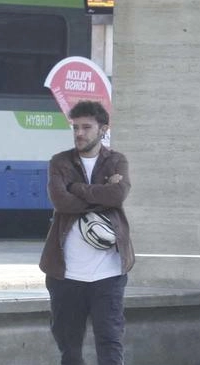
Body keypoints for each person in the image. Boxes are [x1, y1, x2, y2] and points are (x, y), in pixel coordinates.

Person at [39, 99, 134, 365]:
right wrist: (101, 192)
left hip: (109, 273)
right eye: (75, 128)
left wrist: (78, 188)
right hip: (66, 273)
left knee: (110, 343)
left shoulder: (116, 161)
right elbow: (61, 202)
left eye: (86, 127)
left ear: (103, 129)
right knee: (69, 348)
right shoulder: (60, 162)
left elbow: (118, 195)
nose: (79, 133)